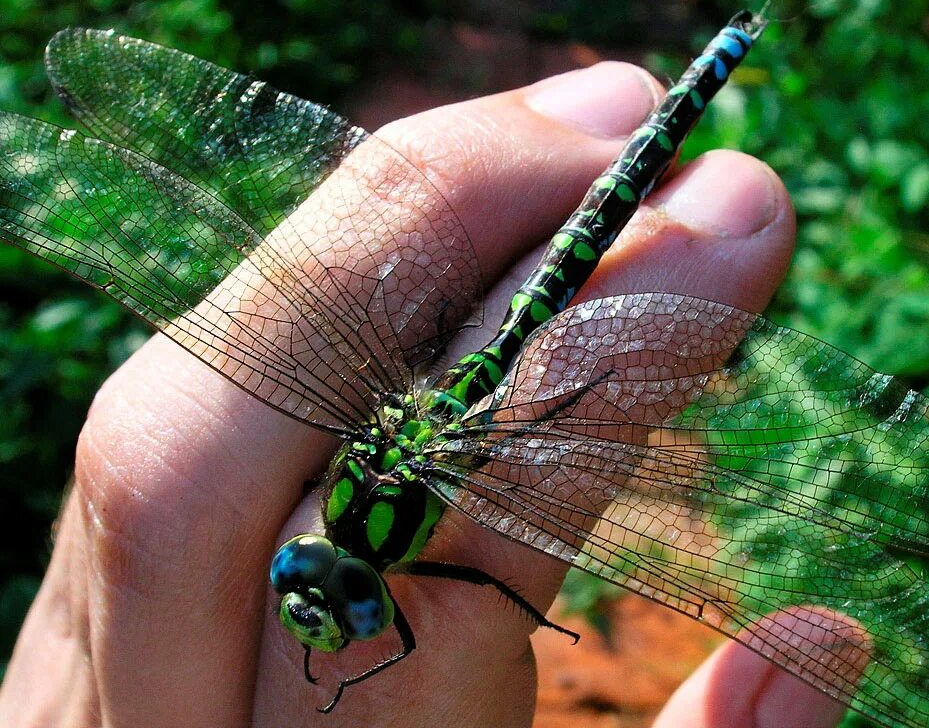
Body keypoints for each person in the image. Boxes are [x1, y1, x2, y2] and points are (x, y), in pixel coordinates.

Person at [0, 60, 864, 727]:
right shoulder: (354, 488)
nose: (313, 603)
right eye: (346, 604)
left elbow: (477, 586)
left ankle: (703, 81)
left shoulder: (373, 527)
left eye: (304, 583)